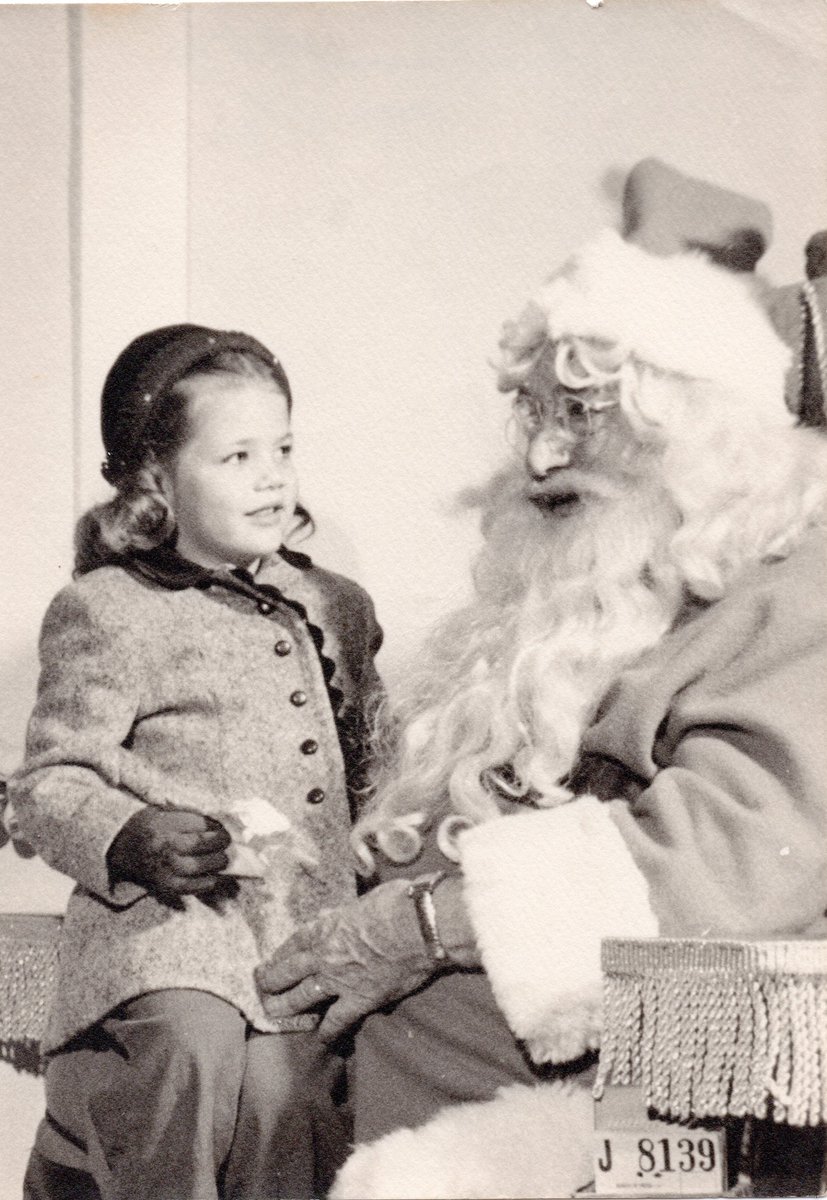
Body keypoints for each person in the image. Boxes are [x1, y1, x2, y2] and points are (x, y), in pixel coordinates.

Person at [256, 178, 827, 1197]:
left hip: (622, 1102)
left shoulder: (795, 597)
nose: (542, 451)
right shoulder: (579, 590)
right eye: (532, 409)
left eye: (586, 414)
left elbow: (737, 859)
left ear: (703, 439)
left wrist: (422, 926)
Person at [11, 325, 384, 1200]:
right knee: (192, 1050)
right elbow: (45, 784)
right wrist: (128, 834)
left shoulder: (336, 604)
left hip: (294, 924)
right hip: (166, 931)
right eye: (237, 455)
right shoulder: (109, 608)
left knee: (285, 1101)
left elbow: (372, 760)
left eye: (283, 448)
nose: (272, 475)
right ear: (155, 483)